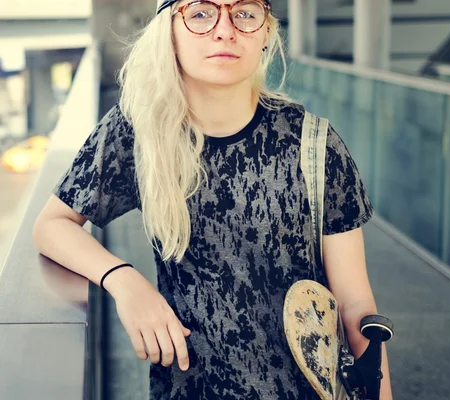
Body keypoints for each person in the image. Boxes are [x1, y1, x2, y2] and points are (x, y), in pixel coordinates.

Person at [32, 0, 393, 398]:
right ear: (169, 31)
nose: (225, 29)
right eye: (201, 13)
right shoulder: (140, 131)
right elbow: (53, 225)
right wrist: (125, 282)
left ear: (266, 33)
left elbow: (356, 304)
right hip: (190, 387)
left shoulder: (314, 145)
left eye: (244, 12)